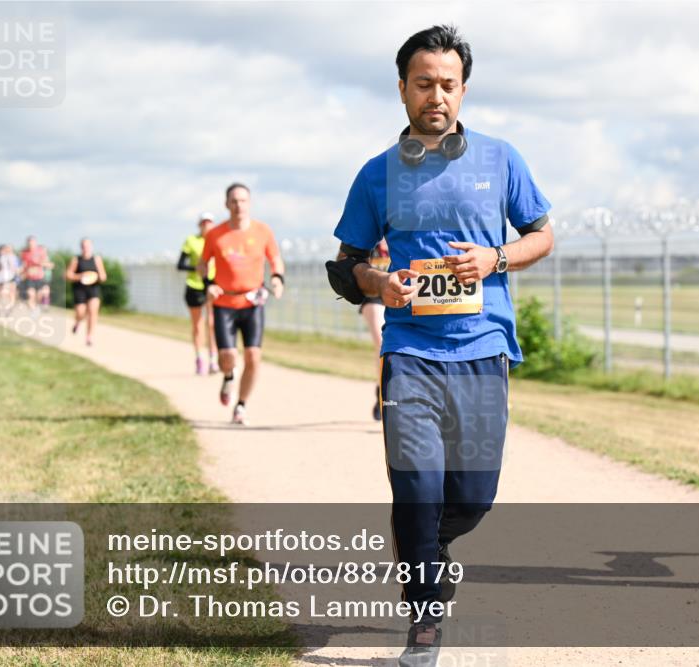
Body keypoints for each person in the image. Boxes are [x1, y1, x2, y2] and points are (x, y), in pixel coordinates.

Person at [328, 25, 553, 664]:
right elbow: (344, 266)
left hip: (483, 347)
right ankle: (425, 619)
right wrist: (379, 282)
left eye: (448, 84)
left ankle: (429, 543)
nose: (437, 96)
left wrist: (495, 258)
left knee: (474, 497)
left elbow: (542, 236)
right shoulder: (377, 173)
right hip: (409, 353)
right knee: (416, 489)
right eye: (424, 83)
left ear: (463, 90)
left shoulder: (501, 159)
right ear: (403, 88)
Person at [200, 184, 285, 426]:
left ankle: (241, 405)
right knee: (227, 355)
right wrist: (208, 284)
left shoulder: (262, 231)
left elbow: (275, 259)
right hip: (224, 302)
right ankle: (228, 376)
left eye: (243, 200)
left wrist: (277, 278)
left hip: (252, 301)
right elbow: (202, 263)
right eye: (234, 201)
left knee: (253, 356)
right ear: (226, 204)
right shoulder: (215, 234)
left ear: (250, 203)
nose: (239, 205)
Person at [177, 212, 219, 375]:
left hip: (212, 285)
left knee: (212, 324)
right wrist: (198, 268)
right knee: (198, 325)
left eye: (209, 222)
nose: (207, 225)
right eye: (204, 223)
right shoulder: (191, 241)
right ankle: (199, 358)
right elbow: (180, 265)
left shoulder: (217, 241)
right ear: (199, 225)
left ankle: (213, 359)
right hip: (194, 285)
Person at [361, 239, 390, 420]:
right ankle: (383, 392)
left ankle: (383, 386)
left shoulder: (402, 235)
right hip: (373, 295)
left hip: (398, 292)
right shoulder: (369, 238)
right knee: (381, 341)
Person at [65, 238, 108, 346]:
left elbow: (103, 276)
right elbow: (68, 275)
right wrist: (80, 276)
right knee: (80, 312)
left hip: (93, 289)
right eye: (84, 246)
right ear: (81, 247)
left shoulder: (97, 259)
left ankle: (89, 337)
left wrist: (97, 277)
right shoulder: (76, 259)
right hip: (80, 289)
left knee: (93, 311)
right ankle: (78, 322)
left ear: (91, 246)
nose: (86, 248)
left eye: (88, 246)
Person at [20, 235, 52, 311]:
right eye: (29, 242)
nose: (31, 244)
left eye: (32, 242)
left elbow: (48, 263)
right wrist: (22, 271)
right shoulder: (24, 253)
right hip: (29, 277)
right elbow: (23, 264)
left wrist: (38, 263)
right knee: (30, 295)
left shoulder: (41, 251)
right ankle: (33, 311)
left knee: (39, 296)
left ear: (35, 242)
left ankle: (38, 307)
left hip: (39, 277)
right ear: (27, 243)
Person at [0, 244, 20, 316]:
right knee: (1, 294)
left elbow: (15, 267)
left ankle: (9, 308)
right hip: (0, 278)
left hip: (10, 277)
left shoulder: (13, 257)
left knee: (11, 293)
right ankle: (0, 308)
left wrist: (16, 273)